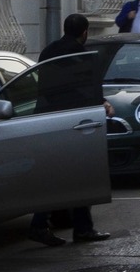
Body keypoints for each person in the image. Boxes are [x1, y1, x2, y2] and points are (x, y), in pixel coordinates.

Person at [30, 14, 110, 246]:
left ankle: (39, 224)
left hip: (45, 119)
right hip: (72, 122)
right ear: (84, 32)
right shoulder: (81, 56)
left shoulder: (47, 51)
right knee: (81, 176)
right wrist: (102, 104)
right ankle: (83, 229)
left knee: (52, 176)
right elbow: (85, 90)